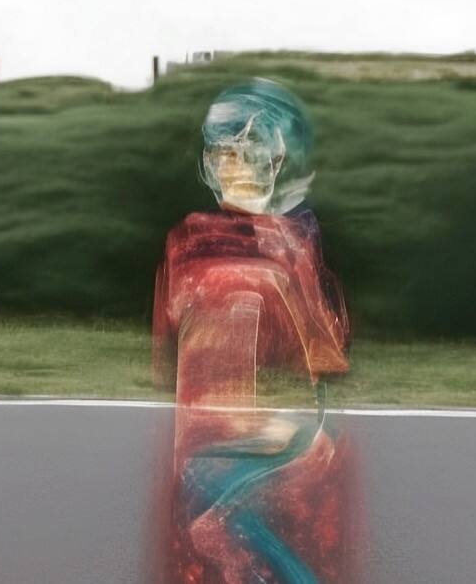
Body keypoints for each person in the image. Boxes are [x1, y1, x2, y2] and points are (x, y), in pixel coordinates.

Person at [152, 79, 356, 583]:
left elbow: (169, 346)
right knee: (238, 543)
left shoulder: (200, 241)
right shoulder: (262, 244)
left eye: (247, 150)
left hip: (228, 444)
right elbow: (325, 352)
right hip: (238, 442)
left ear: (276, 159)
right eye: (224, 152)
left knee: (225, 541)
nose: (233, 163)